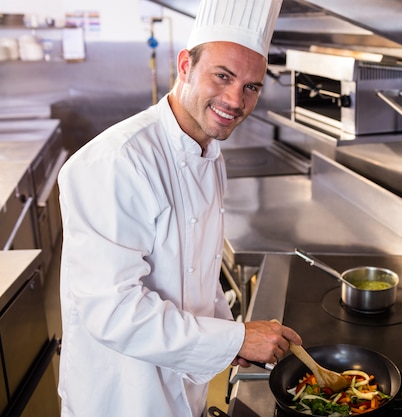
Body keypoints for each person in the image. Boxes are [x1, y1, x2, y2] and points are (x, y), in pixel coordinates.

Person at [56, 0, 301, 416]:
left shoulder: (208, 152)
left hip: (183, 387)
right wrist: (234, 340)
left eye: (251, 86)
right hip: (122, 396)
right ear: (185, 65)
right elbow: (114, 312)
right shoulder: (117, 162)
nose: (235, 99)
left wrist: (230, 336)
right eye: (222, 76)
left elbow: (196, 280)